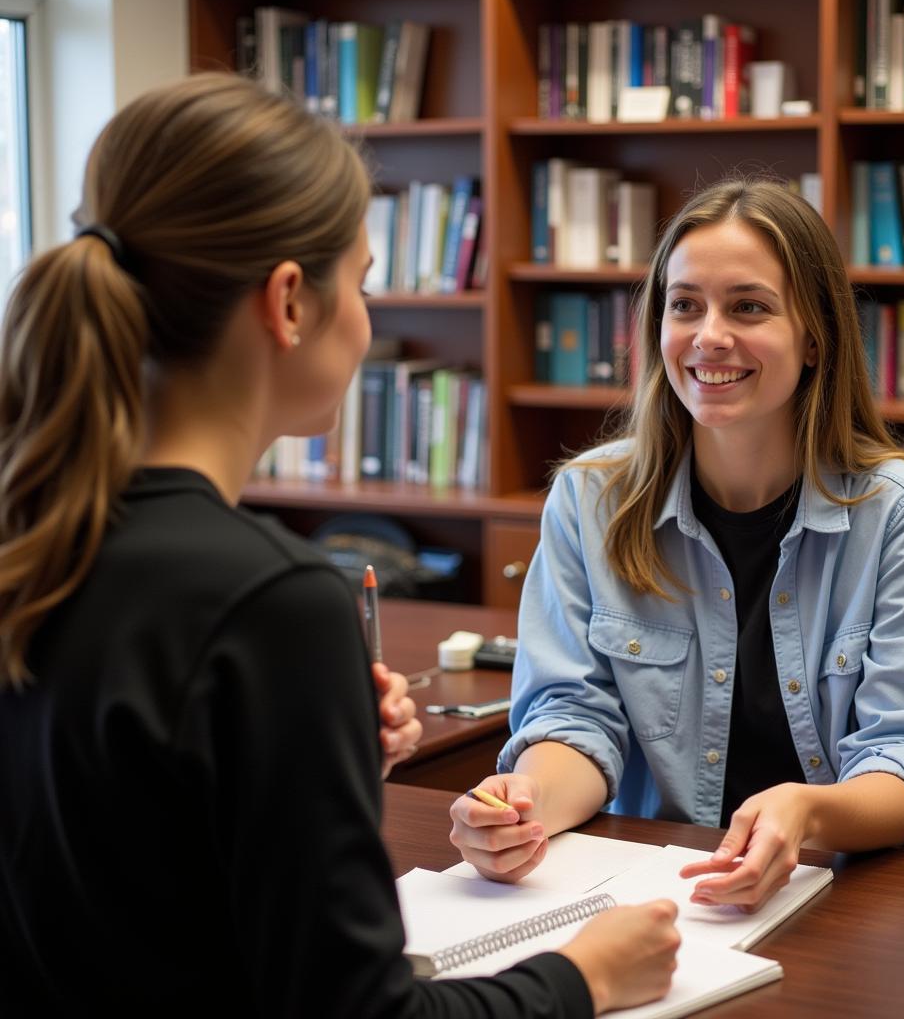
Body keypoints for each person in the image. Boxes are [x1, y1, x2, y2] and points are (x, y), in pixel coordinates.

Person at [0, 73, 682, 1017]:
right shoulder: (270, 603)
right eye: (360, 283)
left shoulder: (31, 545)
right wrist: (586, 975)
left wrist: (304, 752)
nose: (366, 321)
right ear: (288, 303)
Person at [450, 177, 904, 909]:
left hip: (887, 891)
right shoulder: (589, 500)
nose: (709, 336)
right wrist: (524, 806)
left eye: (748, 306)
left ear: (814, 336)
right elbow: (574, 721)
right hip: (684, 890)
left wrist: (807, 810)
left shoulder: (900, 513)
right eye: (685, 305)